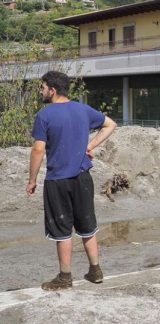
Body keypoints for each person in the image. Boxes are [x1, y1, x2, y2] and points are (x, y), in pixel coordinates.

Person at [25, 71, 117, 291]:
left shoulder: (45, 115)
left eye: (42, 87)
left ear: (52, 90)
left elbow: (38, 149)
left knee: (62, 228)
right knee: (87, 225)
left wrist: (32, 179)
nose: (41, 91)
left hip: (58, 180)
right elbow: (111, 124)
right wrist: (90, 146)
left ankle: (65, 277)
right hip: (83, 178)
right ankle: (95, 270)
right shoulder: (82, 109)